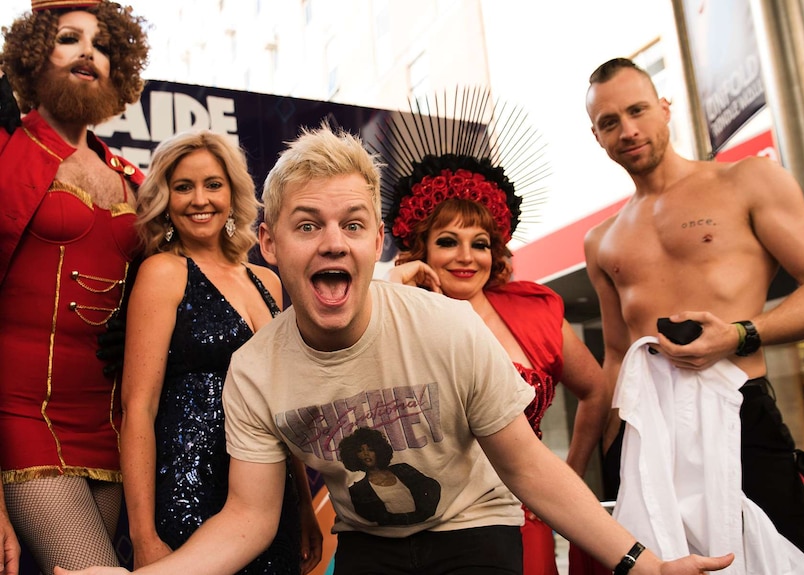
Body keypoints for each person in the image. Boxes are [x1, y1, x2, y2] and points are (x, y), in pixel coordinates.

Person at [54, 123, 734, 575]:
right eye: (307, 224)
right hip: (371, 545)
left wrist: (642, 563)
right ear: (270, 244)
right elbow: (250, 517)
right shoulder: (255, 371)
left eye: (351, 223)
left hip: (473, 528)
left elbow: (531, 468)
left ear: (375, 241)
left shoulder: (444, 325)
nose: (332, 241)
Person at [583, 57, 804, 566]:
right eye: (609, 122)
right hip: (647, 435)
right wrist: (599, 457)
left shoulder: (746, 182)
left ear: (665, 109)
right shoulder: (602, 240)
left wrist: (740, 334)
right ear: (596, 136)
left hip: (740, 415)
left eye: (638, 110)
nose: (629, 130)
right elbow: (616, 357)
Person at [379, 100, 608, 573]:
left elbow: (597, 390)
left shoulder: (535, 313)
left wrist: (572, 473)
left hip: (527, 517)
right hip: (431, 527)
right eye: (448, 241)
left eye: (479, 243)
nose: (466, 257)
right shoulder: (395, 317)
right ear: (420, 247)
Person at [119, 130, 322, 574]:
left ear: (233, 193)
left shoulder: (267, 281)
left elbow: (281, 408)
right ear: (166, 199)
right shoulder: (163, 272)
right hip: (187, 492)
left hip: (271, 498)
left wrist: (304, 505)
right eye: (183, 186)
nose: (199, 199)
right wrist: (144, 536)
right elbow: (138, 407)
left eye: (212, 184)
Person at [0, 1, 148, 572]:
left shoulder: (131, 177)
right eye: (69, 38)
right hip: (22, 415)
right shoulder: (9, 151)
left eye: (104, 45)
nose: (89, 52)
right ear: (36, 55)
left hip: (110, 425)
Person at [339, 427, 441, 526]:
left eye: (370, 449)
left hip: (424, 528)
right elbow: (373, 519)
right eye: (360, 451)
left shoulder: (403, 469)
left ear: (378, 451)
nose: (366, 454)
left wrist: (424, 514)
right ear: (353, 455)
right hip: (390, 537)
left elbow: (433, 487)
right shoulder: (358, 490)